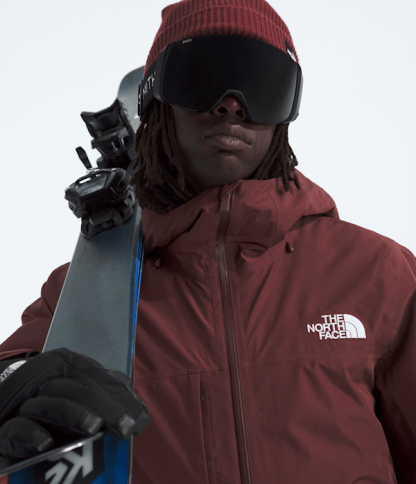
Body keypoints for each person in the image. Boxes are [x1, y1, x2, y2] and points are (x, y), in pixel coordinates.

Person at [0, 0, 415, 482]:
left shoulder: (379, 273)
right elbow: (16, 373)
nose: (232, 104)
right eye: (202, 76)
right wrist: (10, 385)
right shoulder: (89, 291)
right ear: (156, 100)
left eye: (262, 83)